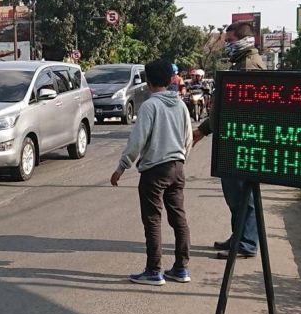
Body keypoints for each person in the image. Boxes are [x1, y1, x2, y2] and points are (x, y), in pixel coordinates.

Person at [110, 59, 193, 285]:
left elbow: (137, 142)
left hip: (154, 171)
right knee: (179, 218)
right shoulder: (180, 105)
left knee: (153, 220)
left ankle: (154, 270)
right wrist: (181, 158)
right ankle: (181, 268)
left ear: (147, 81)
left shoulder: (149, 106)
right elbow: (188, 138)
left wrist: (121, 168)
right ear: (170, 80)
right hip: (177, 167)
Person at [193, 21, 266, 259]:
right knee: (234, 194)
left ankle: (245, 244)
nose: (226, 44)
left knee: (244, 194)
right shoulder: (240, 64)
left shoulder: (249, 66)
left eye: (229, 40)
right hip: (233, 138)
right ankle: (239, 236)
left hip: (242, 140)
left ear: (242, 40)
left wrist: (203, 130)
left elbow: (235, 109)